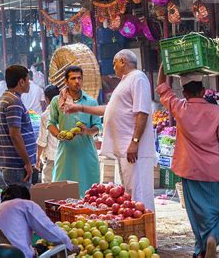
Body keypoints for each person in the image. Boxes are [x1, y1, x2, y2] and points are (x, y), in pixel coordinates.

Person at [156, 64, 219, 258]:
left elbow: (161, 85)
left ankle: (202, 248)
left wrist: (165, 62)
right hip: (213, 173)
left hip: (189, 171)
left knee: (196, 214)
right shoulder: (217, 113)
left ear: (185, 92)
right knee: (214, 211)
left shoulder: (179, 107)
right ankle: (212, 237)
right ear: (203, 91)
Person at [65, 50, 156, 210]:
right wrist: (79, 108)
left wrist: (135, 142)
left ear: (122, 61)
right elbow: (109, 110)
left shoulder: (138, 78)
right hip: (125, 150)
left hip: (135, 149)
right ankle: (138, 229)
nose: (113, 67)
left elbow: (142, 112)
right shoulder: (125, 81)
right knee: (130, 193)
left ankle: (145, 232)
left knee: (139, 194)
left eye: (114, 63)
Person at [0, 185, 78, 258]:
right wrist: (69, 245)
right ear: (26, 198)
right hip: (17, 255)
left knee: (39, 247)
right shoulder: (25, 204)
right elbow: (48, 229)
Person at [47, 66, 102, 197]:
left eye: (79, 78)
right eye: (73, 78)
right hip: (66, 153)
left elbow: (98, 127)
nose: (77, 81)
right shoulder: (57, 101)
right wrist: (59, 134)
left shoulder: (91, 102)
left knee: (89, 192)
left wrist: (86, 131)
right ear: (66, 81)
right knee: (62, 192)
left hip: (86, 153)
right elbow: (51, 123)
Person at [0, 65, 36, 188]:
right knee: (21, 202)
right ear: (21, 82)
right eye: (28, 80)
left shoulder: (3, 99)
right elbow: (15, 135)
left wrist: (2, 143)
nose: (29, 83)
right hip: (17, 165)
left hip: (11, 163)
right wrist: (27, 162)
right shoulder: (14, 102)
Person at [36, 85, 60, 183]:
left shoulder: (46, 115)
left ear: (46, 99)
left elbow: (42, 141)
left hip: (52, 157)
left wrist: (37, 159)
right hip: (66, 156)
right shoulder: (66, 111)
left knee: (48, 186)